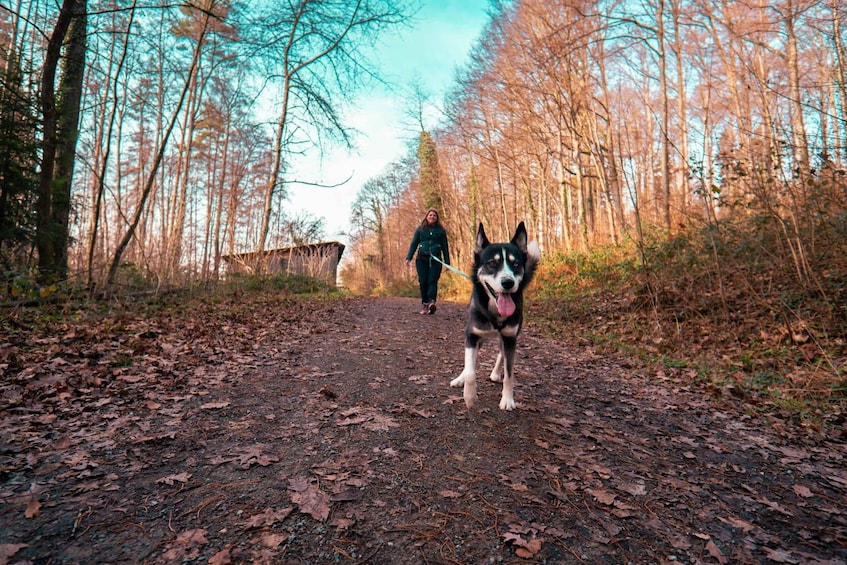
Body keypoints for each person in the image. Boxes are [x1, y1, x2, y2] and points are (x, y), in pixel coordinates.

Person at [405, 208, 450, 315]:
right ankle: (425, 304)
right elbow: (414, 244)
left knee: (432, 280)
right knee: (423, 281)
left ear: (437, 218)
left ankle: (431, 302)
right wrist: (409, 257)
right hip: (421, 259)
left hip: (436, 259)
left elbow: (445, 247)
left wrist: (447, 262)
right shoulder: (420, 230)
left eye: (434, 215)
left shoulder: (441, 231)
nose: (432, 217)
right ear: (426, 217)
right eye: (430, 215)